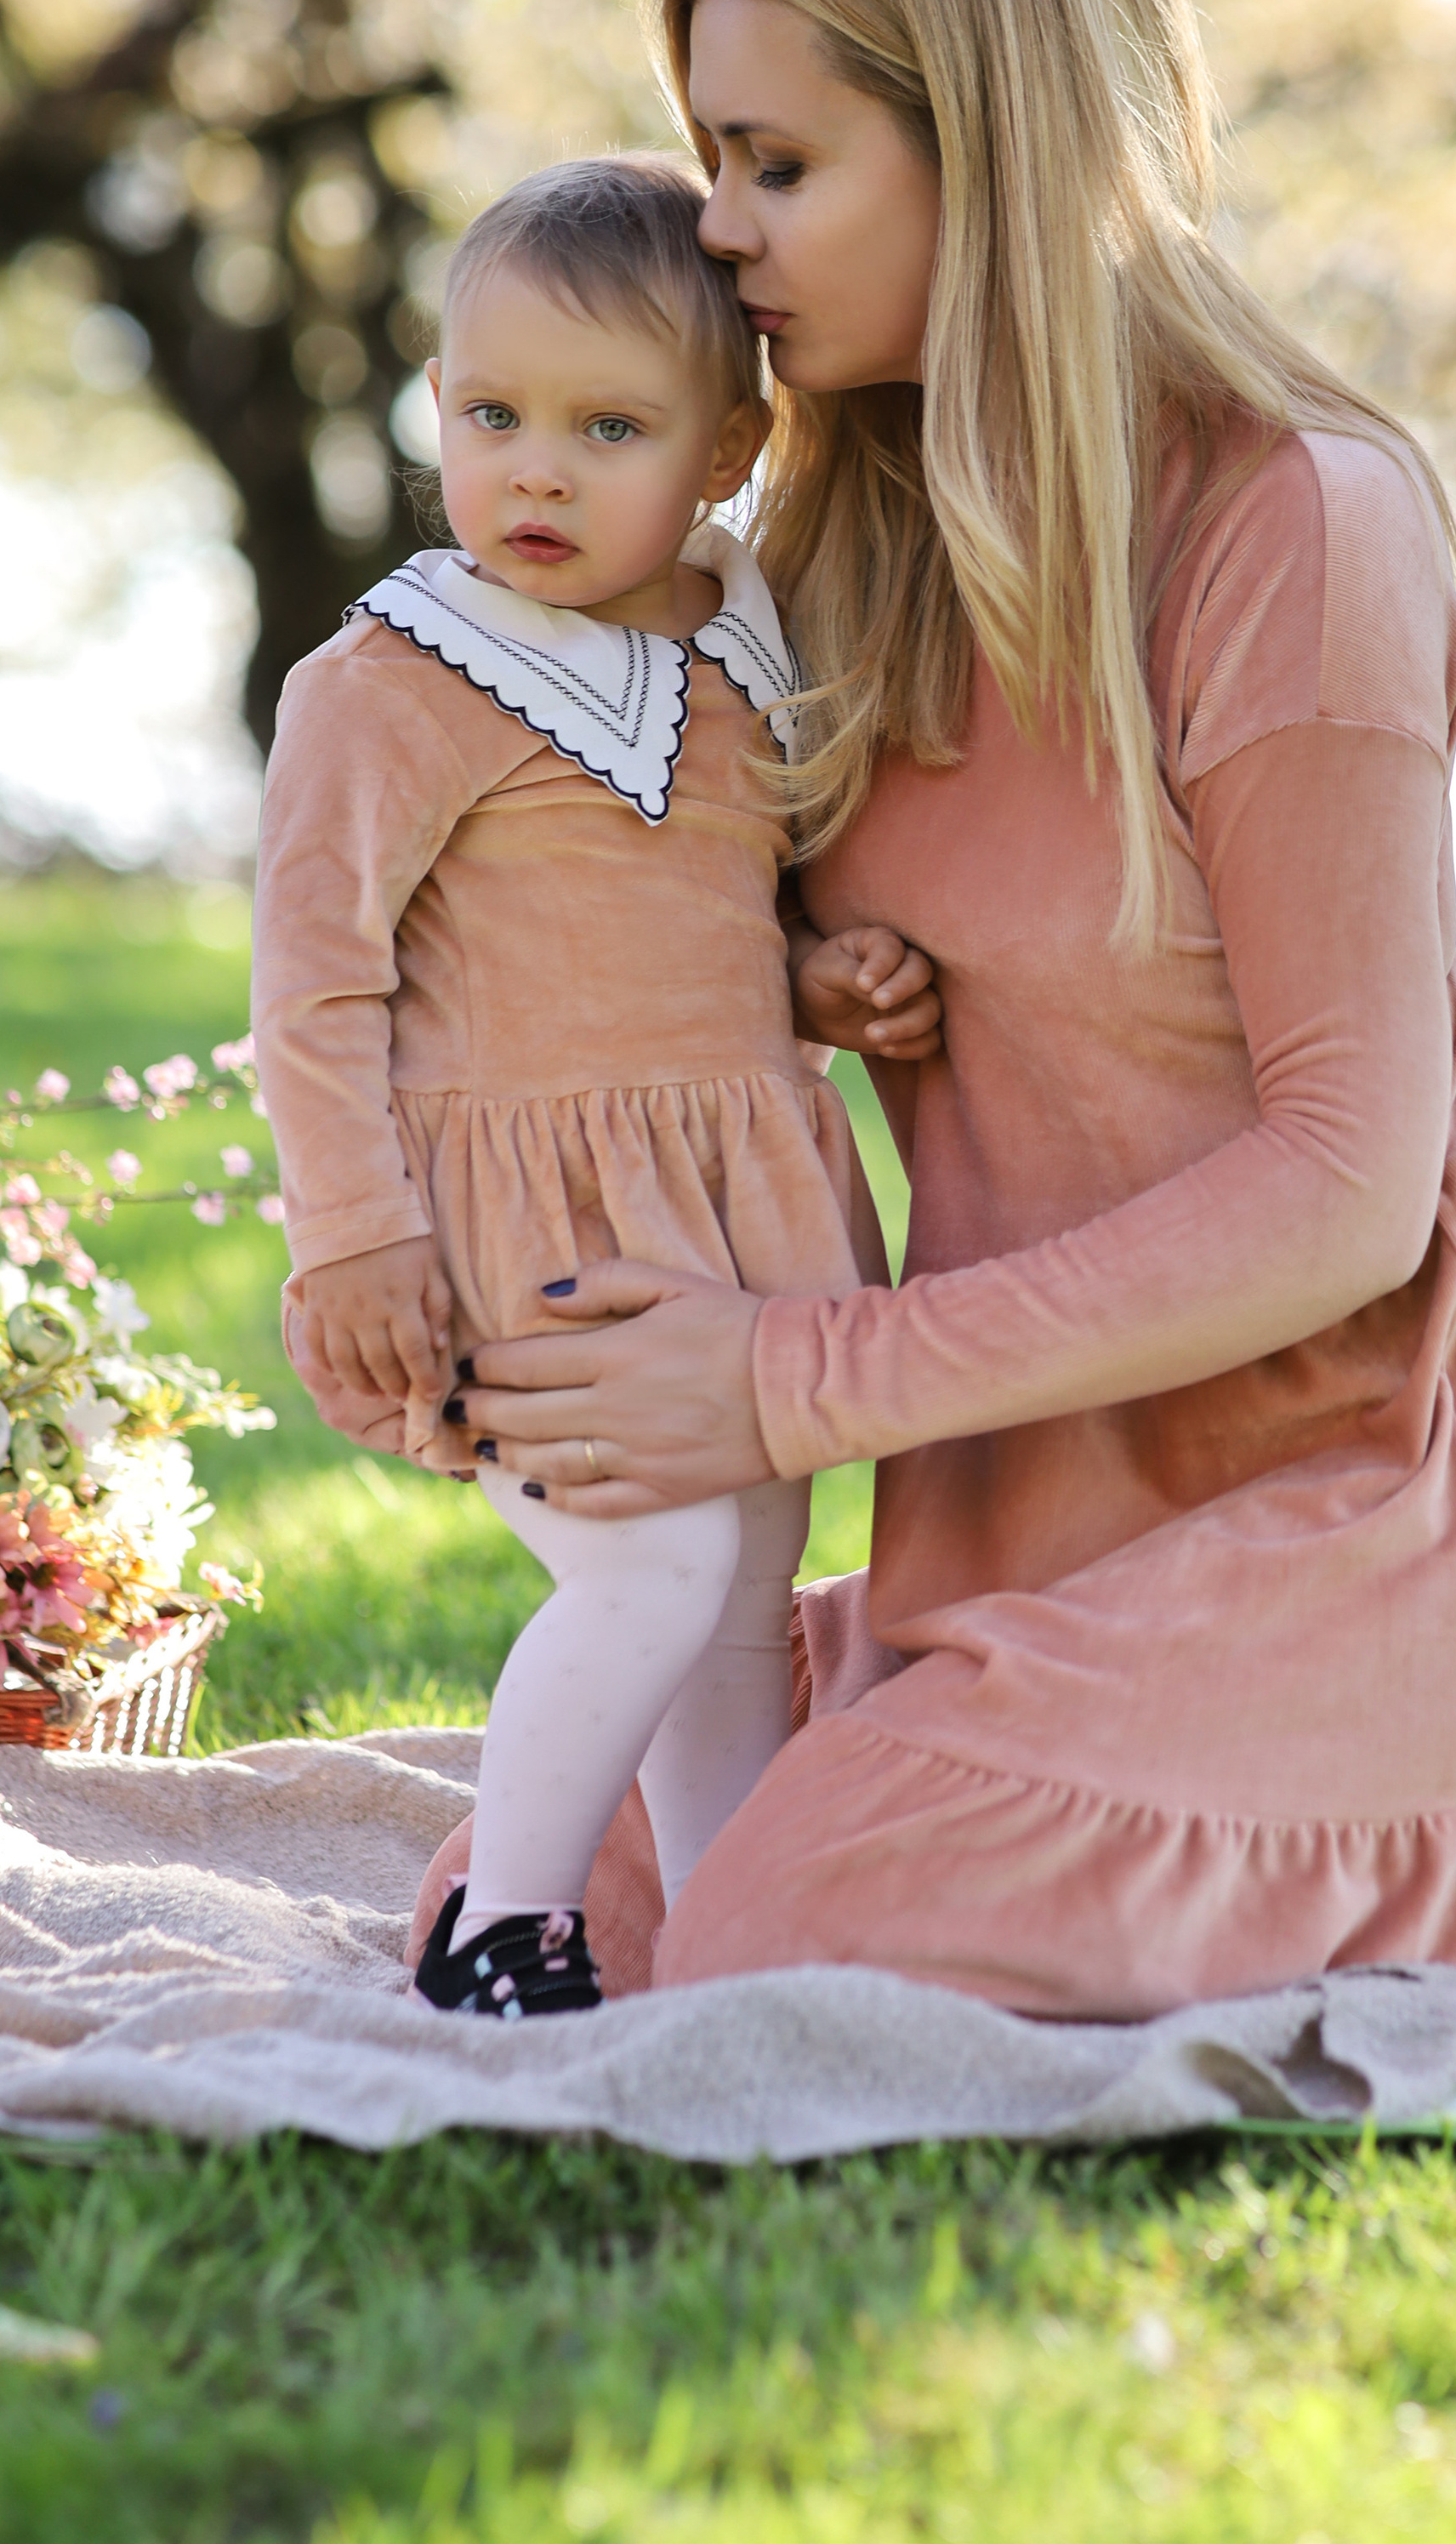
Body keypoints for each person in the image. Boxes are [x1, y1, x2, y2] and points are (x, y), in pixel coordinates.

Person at [367, 0, 1456, 2053]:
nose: (716, 227)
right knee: (557, 1899)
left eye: (778, 161)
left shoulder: (1296, 521)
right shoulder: (817, 562)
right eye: (709, 157)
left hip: (1406, 1489)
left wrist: (782, 1383)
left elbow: (1347, 1185)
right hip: (1050, 1508)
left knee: (782, 1949)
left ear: (993, 141)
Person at [251, 157, 935, 2017]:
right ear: (436, 402)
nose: (535, 473)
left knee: (740, 1594)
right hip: (522, 1230)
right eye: (492, 417)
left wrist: (814, 980)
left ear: (727, 450)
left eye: (607, 428)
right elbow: (314, 982)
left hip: (722, 1210)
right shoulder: (396, 680)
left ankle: (715, 1941)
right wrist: (352, 1235)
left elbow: (700, 927)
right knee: (649, 1568)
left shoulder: (734, 644)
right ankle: (504, 1929)